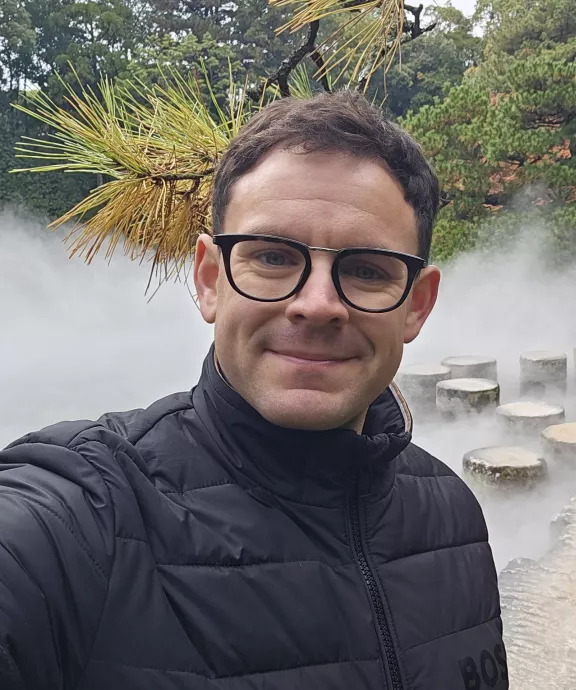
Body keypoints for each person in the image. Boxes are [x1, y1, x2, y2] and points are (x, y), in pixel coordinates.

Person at [0, 90, 507, 690]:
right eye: (272, 257)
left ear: (416, 306)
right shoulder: (84, 513)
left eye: (367, 269)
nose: (317, 306)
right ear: (211, 280)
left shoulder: (454, 516)